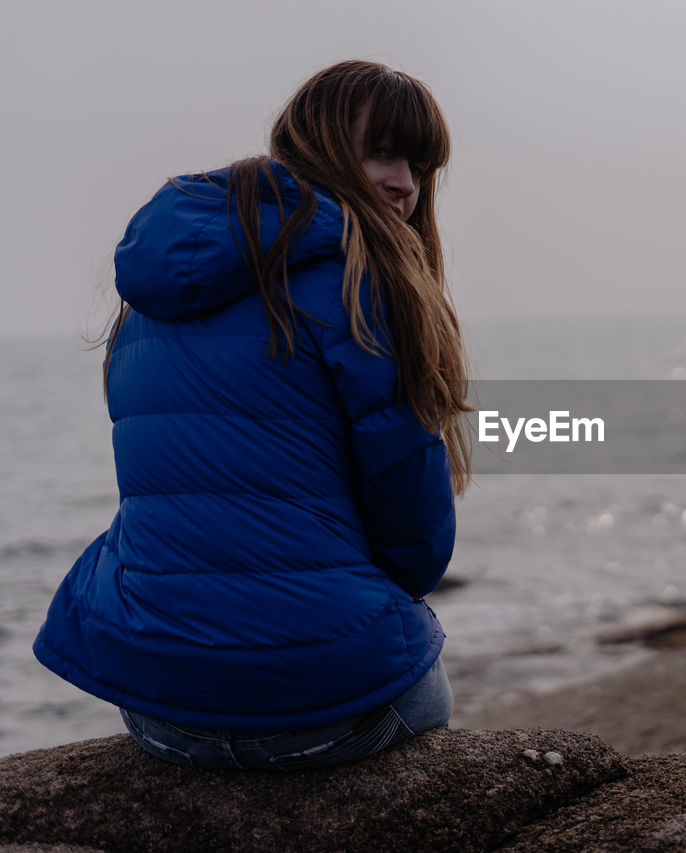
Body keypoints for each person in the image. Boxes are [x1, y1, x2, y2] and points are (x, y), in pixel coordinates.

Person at [32, 60, 471, 770]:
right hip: (327, 714)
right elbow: (413, 538)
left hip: (158, 708)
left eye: (420, 166)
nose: (406, 185)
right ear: (321, 143)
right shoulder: (363, 284)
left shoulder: (148, 295)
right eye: (384, 152)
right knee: (421, 681)